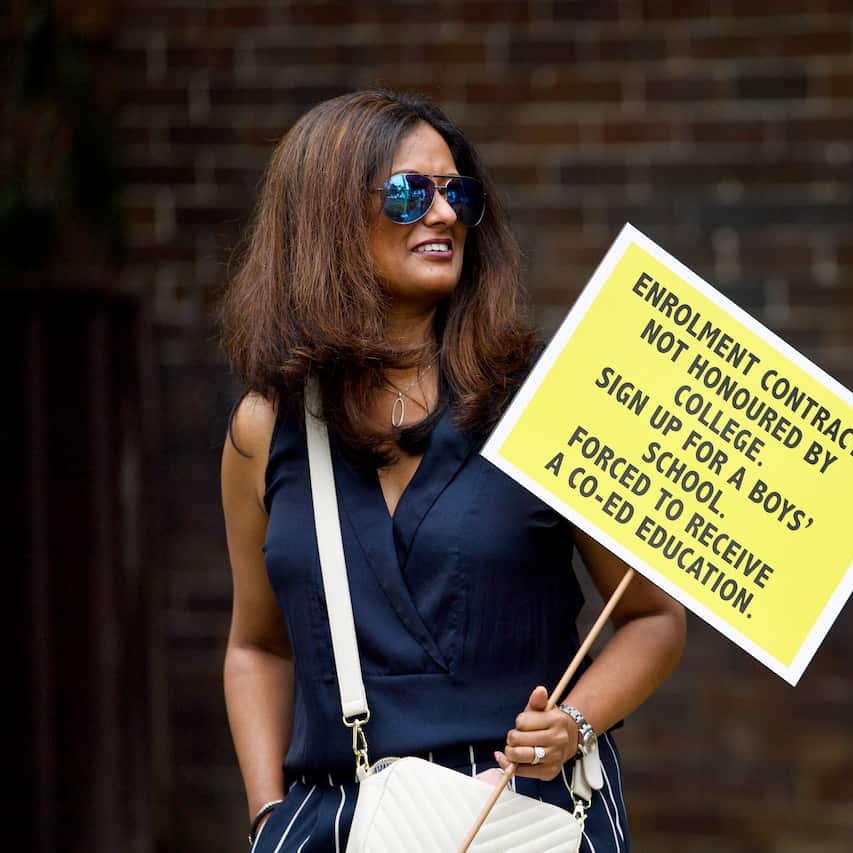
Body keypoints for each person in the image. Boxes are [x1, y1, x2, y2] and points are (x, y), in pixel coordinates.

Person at [220, 89, 686, 852]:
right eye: (408, 193)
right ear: (326, 218)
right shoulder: (266, 426)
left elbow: (652, 618)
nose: (442, 214)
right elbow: (256, 646)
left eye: (456, 192)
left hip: (528, 818)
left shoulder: (548, 399)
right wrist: (271, 816)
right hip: (332, 823)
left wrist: (572, 723)